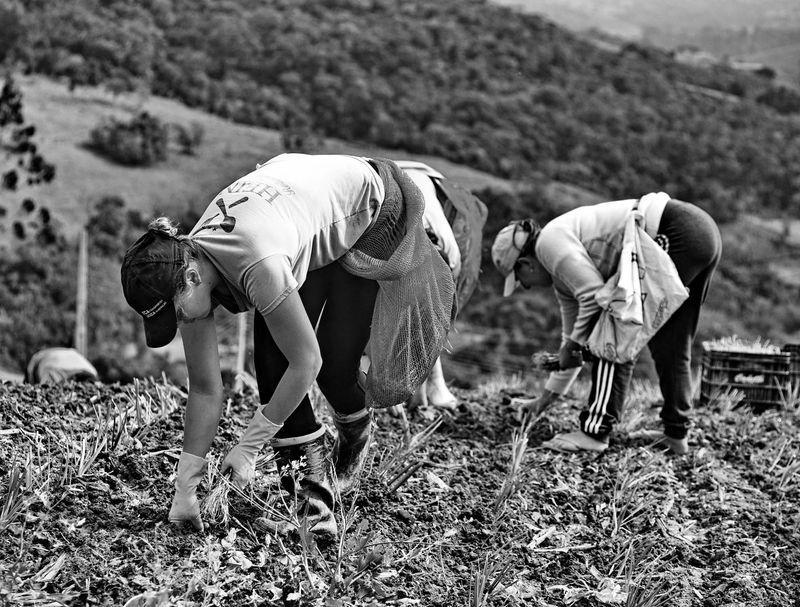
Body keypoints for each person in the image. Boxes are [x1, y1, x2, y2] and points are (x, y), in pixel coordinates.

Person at [121, 153, 454, 534]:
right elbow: (205, 389)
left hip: (370, 209)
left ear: (193, 276)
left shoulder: (255, 261)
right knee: (276, 358)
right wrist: (185, 486)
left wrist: (250, 444)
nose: (181, 323)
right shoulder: (186, 263)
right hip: (300, 211)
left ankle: (337, 468)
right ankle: (312, 501)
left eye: (176, 313)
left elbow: (305, 363)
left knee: (323, 363)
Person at [491, 192, 721, 454]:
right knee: (670, 341)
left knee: (614, 329)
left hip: (675, 232)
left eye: (520, 279)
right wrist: (542, 402)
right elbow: (572, 343)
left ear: (525, 263)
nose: (527, 287)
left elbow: (594, 301)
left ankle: (595, 433)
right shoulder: (564, 279)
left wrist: (576, 344)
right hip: (700, 232)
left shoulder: (549, 243)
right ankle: (675, 435)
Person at [395, 160, 487, 410]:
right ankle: (412, 390)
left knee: (426, 317)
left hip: (417, 192)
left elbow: (430, 314)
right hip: (399, 193)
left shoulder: (448, 250)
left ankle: (431, 387)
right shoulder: (394, 234)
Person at [25, 347, 99, 384]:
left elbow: (30, 370)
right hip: (89, 370)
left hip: (56, 367)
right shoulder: (69, 352)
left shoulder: (41, 360)